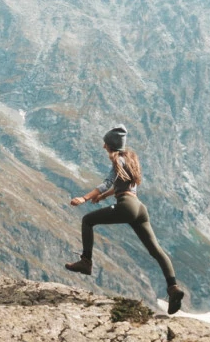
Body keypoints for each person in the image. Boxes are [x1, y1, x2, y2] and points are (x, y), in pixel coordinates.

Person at [65, 125, 188, 315]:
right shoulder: (130, 159)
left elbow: (107, 182)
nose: (103, 147)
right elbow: (120, 184)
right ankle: (173, 288)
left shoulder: (116, 160)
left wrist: (85, 197)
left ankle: (86, 262)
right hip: (139, 207)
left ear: (110, 144)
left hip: (126, 206)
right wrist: (104, 197)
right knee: (156, 250)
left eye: (105, 143)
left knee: (87, 220)